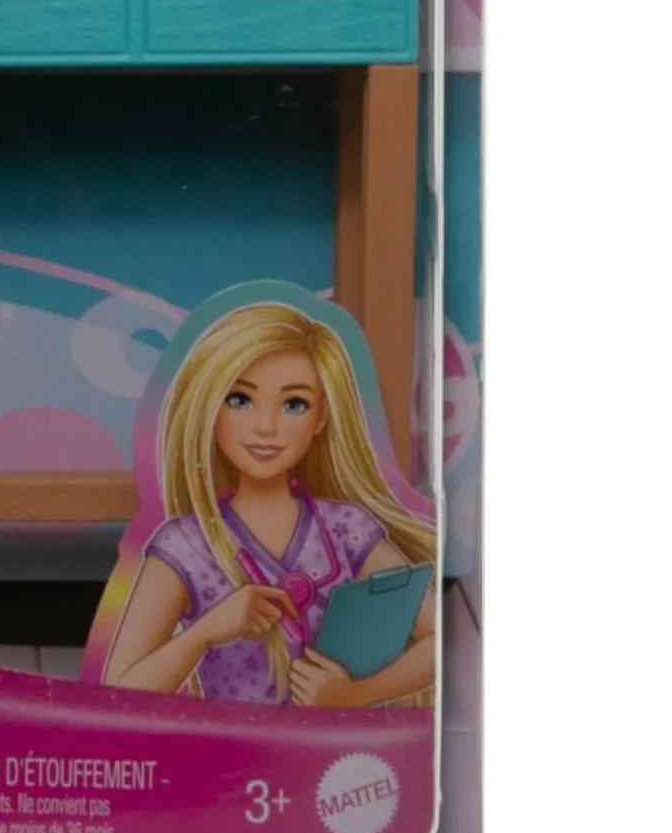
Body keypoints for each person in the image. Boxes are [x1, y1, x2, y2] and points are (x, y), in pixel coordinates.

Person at [98, 302, 436, 707]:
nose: (265, 427)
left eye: (294, 405)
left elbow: (440, 639)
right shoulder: (186, 545)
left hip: (335, 746)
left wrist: (356, 693)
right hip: (233, 745)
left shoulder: (346, 528)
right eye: (240, 399)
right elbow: (117, 693)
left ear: (321, 417)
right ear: (209, 408)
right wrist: (204, 632)